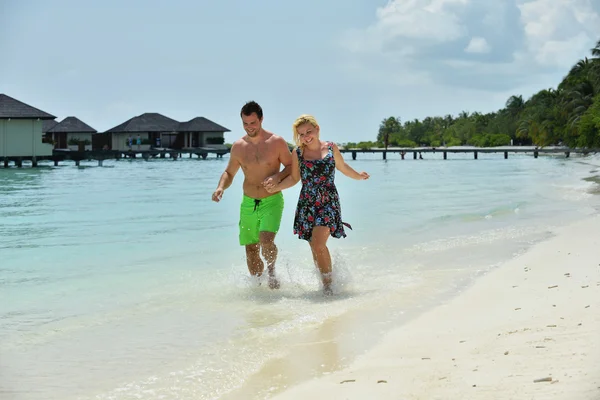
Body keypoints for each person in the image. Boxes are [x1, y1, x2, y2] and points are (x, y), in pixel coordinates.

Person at [264, 114, 369, 295]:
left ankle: (329, 287)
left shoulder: (330, 148)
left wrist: (358, 176)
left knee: (319, 243)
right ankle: (325, 283)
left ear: (317, 129)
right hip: (308, 203)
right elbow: (295, 178)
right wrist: (277, 188)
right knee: (314, 245)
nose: (306, 136)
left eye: (309, 132)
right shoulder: (298, 153)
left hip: (328, 201)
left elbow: (343, 167)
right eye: (302, 134)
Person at [212, 101, 292, 289]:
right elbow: (229, 173)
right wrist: (221, 187)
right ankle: (258, 290)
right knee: (251, 249)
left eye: (253, 123)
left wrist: (278, 176)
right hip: (248, 203)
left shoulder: (276, 142)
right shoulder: (238, 146)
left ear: (261, 119)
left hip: (271, 200)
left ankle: (272, 274)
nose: (249, 127)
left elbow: (290, 166)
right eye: (245, 124)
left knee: (266, 240)